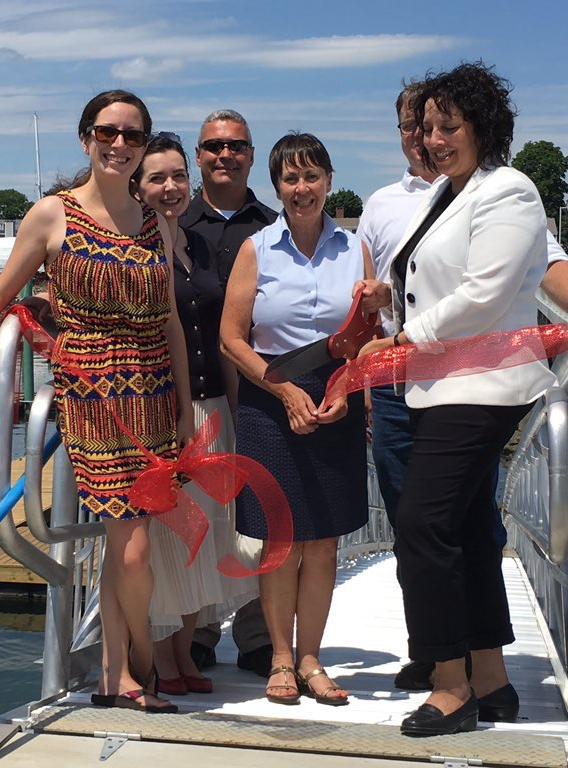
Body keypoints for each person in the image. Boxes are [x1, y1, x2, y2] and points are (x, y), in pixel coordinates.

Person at [0, 90, 193, 714]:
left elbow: (173, 321)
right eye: (108, 131)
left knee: (128, 539)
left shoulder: (157, 219)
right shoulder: (54, 215)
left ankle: (113, 672)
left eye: (132, 134)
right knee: (131, 543)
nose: (119, 144)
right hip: (94, 397)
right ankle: (145, 669)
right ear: (86, 138)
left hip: (153, 393)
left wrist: (182, 404)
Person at [360, 84, 568, 694]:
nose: (434, 141)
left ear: (484, 127)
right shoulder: (446, 193)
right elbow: (427, 271)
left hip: (482, 385)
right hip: (440, 384)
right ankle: (491, 680)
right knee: (462, 525)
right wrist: (390, 297)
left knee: (420, 521)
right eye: (426, 129)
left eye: (449, 127)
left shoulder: (508, 189)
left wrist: (403, 338)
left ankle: (449, 683)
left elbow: (486, 294)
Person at [220, 132, 386, 706]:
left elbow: (370, 338)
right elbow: (231, 339)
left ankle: (312, 658)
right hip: (270, 398)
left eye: (311, 176)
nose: (301, 189)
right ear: (277, 187)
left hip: (336, 396)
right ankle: (281, 660)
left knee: (322, 544)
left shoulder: (355, 248)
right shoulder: (257, 249)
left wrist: (347, 387)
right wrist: (286, 391)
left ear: (329, 181)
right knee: (279, 540)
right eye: (290, 179)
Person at [130, 132, 257, 696]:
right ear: (137, 186)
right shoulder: (135, 247)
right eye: (157, 178)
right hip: (162, 411)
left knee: (199, 539)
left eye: (177, 176)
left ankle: (183, 651)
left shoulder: (193, 245)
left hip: (209, 409)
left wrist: (236, 408)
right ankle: (158, 656)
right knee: (166, 536)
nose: (170, 188)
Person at [179, 109, 278, 677]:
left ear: (249, 153)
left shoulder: (272, 227)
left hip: (260, 395)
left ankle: (257, 631)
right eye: (214, 146)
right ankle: (198, 626)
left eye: (236, 146)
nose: (225, 155)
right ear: (198, 155)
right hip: (196, 394)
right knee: (198, 516)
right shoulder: (170, 222)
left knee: (260, 514)